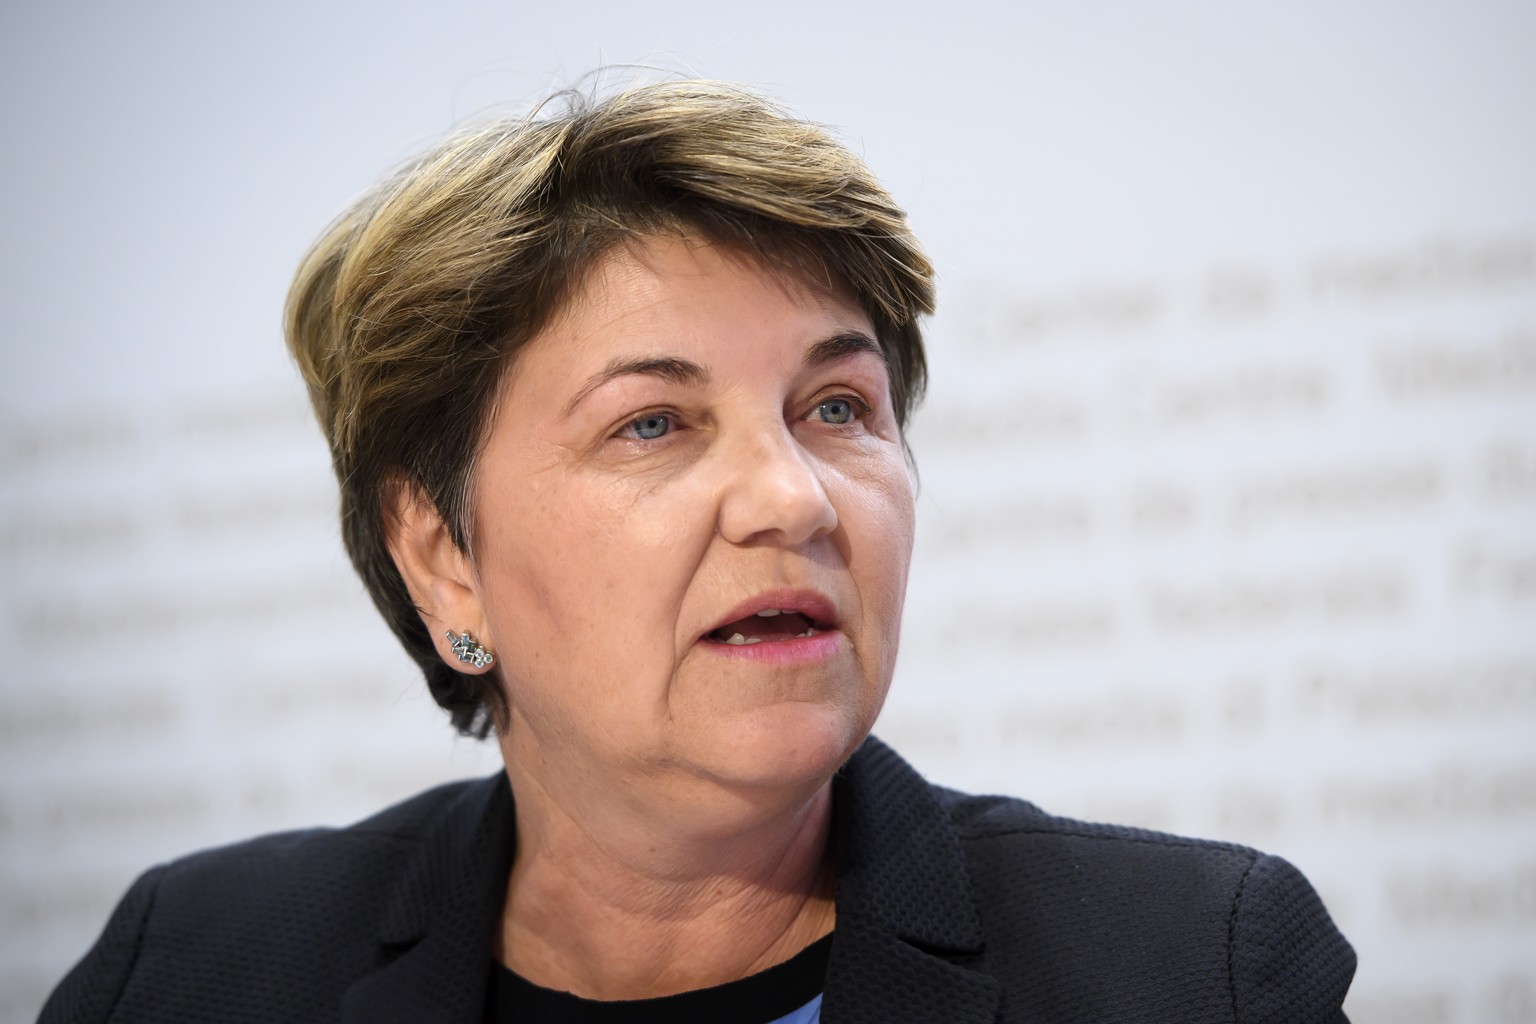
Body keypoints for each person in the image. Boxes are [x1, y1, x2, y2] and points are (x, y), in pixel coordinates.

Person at [40, 80, 1356, 1024]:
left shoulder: (1193, 971)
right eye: (654, 424)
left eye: (835, 408)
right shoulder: (191, 970)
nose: (791, 498)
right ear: (441, 556)